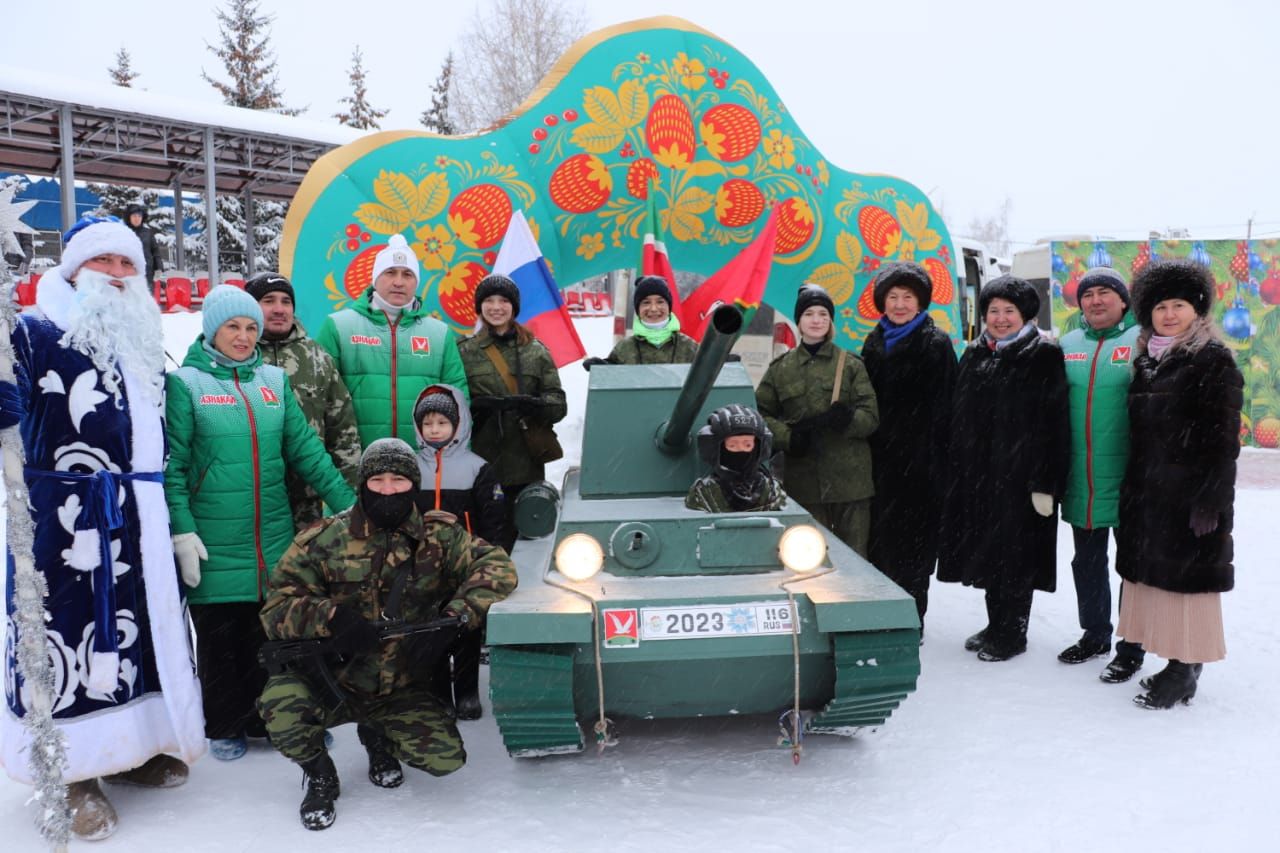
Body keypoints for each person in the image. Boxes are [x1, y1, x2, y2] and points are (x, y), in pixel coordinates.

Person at [0, 216, 204, 841]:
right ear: (73, 270)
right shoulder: (34, 332)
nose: (118, 276)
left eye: (128, 265)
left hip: (141, 516)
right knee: (67, 631)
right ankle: (69, 773)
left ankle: (129, 751)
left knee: (135, 631)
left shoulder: (145, 343)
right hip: (62, 522)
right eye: (105, 263)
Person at [258, 438, 518, 830]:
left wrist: (453, 620)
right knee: (282, 708)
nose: (388, 489)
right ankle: (320, 773)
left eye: (398, 479)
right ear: (363, 484)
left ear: (413, 484)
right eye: (378, 479)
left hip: (400, 683)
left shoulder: (438, 537)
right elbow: (276, 609)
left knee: (446, 759)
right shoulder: (324, 540)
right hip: (331, 680)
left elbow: (498, 568)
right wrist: (331, 618)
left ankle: (377, 737)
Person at [165, 286, 356, 762]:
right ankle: (226, 723)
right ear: (212, 328)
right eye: (233, 326)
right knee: (220, 637)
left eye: (251, 327)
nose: (244, 336)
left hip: (272, 535)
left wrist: (349, 505)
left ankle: (280, 721)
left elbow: (307, 451)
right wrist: (182, 530)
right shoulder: (186, 384)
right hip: (213, 536)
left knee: (275, 637)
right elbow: (173, 466)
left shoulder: (272, 380)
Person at [1115, 259, 1243, 709]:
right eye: (1161, 306)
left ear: (1197, 310)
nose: (1169, 314)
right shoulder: (1148, 360)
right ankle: (1173, 660)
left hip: (1190, 497)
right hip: (1150, 494)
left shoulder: (1212, 359)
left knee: (1188, 586)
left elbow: (1222, 439)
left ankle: (1186, 671)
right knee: (1162, 585)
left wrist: (1210, 499)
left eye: (1179, 305)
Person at [937, 275, 1070, 661]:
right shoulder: (976, 354)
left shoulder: (1043, 356)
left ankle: (1013, 633)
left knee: (1017, 558)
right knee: (988, 555)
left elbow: (1054, 424)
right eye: (993, 310)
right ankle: (995, 623)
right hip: (978, 478)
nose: (999, 318)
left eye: (1008, 311)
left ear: (1025, 315)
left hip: (1022, 480)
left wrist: (1046, 482)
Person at [1055, 267, 1148, 679]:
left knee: (1133, 567)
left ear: (1123, 302)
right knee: (1087, 562)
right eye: (1087, 294)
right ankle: (1095, 634)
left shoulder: (1142, 341)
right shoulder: (1067, 344)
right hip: (1082, 478)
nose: (1095, 301)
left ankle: (1131, 647)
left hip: (1131, 478)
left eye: (1104, 293)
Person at [860, 263, 957, 632]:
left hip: (922, 465)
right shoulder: (874, 342)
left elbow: (948, 407)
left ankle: (911, 618)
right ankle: (884, 610)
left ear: (920, 303)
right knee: (880, 543)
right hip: (880, 463)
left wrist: (939, 463)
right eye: (893, 297)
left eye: (907, 298)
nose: (899, 305)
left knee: (915, 548)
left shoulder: (935, 343)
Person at [756, 284, 879, 556]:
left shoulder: (850, 366)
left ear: (830, 321)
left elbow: (871, 417)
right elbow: (759, 414)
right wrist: (788, 438)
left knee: (855, 561)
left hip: (851, 485)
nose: (816, 320)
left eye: (823, 314)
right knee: (809, 560)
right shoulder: (780, 369)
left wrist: (847, 419)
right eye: (809, 313)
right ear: (798, 321)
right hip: (805, 486)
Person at [315, 234, 469, 448]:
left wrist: (457, 457)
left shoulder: (440, 333)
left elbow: (458, 403)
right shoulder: (339, 326)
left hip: (424, 461)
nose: (398, 281)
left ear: (416, 282)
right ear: (375, 278)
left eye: (407, 274)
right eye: (390, 272)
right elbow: (318, 400)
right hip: (355, 459)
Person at [411, 384, 506, 720]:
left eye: (442, 423)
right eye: (428, 424)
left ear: (458, 424)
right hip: (423, 567)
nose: (435, 430)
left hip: (463, 565)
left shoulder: (477, 467)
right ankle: (439, 696)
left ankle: (466, 693)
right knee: (431, 631)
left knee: (466, 629)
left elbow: (493, 519)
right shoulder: (411, 467)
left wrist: (485, 558)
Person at [459, 274, 568, 551]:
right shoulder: (465, 352)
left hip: (526, 467)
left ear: (514, 307)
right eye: (489, 301)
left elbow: (559, 405)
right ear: (480, 307)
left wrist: (534, 406)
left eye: (504, 301)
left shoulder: (535, 351)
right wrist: (476, 410)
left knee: (529, 542)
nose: (496, 307)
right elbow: (451, 404)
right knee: (486, 539)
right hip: (481, 466)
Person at [249, 271, 361, 528]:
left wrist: (350, 492)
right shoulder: (238, 351)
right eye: (269, 300)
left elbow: (343, 428)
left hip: (308, 500)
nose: (279, 309)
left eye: (285, 302)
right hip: (252, 497)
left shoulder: (316, 356)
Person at [686, 404, 786, 512]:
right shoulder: (704, 492)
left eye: (747, 445)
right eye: (732, 445)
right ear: (719, 449)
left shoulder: (771, 490)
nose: (740, 450)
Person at [585, 275, 698, 367]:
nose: (653, 309)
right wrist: (604, 367)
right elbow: (614, 381)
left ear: (669, 306)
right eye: (646, 302)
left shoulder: (690, 347)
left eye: (660, 302)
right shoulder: (624, 348)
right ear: (638, 309)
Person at [124, 202, 162, 289]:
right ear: (129, 217)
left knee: (147, 297)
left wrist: (158, 269)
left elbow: (155, 252)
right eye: (134, 216)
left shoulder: (148, 233)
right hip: (129, 272)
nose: (137, 219)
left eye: (139, 216)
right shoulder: (124, 231)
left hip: (147, 273)